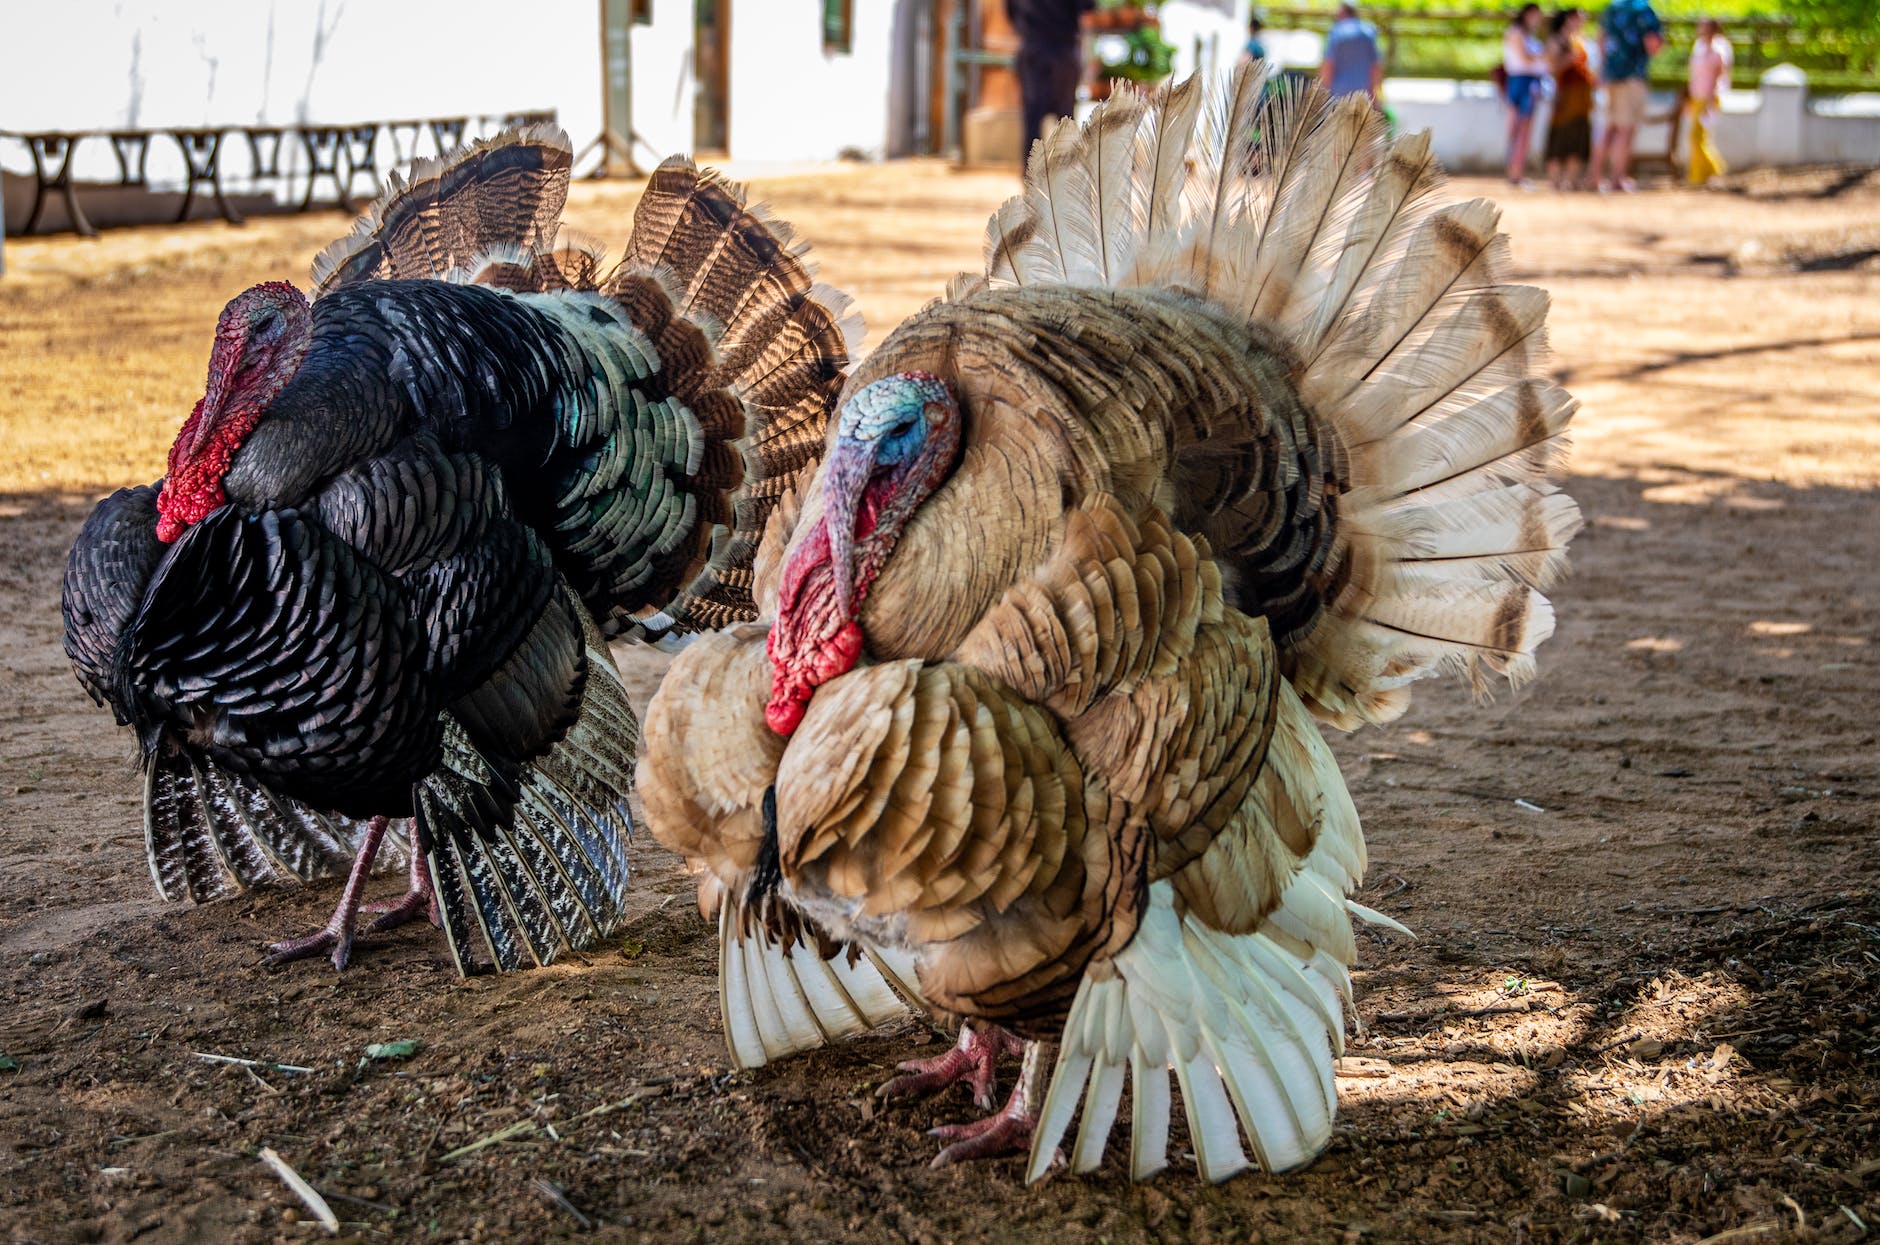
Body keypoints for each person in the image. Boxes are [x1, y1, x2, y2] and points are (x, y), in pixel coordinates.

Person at [1592, 0, 1662, 192]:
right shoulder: (1644, 10)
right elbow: (1652, 44)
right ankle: (1617, 178)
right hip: (1632, 76)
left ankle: (1595, 176)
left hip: (1610, 76)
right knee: (1626, 129)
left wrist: (1604, 69)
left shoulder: (1613, 7)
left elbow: (1601, 39)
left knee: (1607, 127)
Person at [1009, 0, 1094, 155]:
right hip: (1062, 50)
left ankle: (1032, 167)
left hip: (1034, 48)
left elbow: (1012, 11)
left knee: (1033, 116)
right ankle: (1066, 166)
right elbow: (1087, 8)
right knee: (1064, 118)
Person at [1545, 8, 1596, 189]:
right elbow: (1552, 68)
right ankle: (1555, 180)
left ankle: (1573, 179)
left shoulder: (1581, 40)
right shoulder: (1556, 40)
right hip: (1565, 96)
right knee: (1560, 136)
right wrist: (1571, 57)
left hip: (1582, 98)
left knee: (1579, 136)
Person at [1502, 5, 1550, 186]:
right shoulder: (1516, 32)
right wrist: (1544, 56)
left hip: (1528, 82)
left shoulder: (1529, 35)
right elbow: (1525, 58)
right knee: (1518, 128)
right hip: (1521, 82)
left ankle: (1517, 171)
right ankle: (1514, 172)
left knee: (1524, 129)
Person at [1685, 17, 1732, 186]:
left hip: (1708, 97)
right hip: (1697, 96)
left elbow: (1719, 74)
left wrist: (1710, 100)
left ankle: (1715, 169)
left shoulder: (1718, 48)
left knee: (1697, 136)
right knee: (1697, 137)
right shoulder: (1700, 46)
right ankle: (1698, 176)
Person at [1318, 3, 1383, 104]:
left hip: (1338, 96)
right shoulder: (1368, 32)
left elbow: (1328, 65)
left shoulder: (1336, 32)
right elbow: (1376, 67)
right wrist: (1375, 95)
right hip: (1363, 96)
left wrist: (1322, 94)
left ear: (1343, 13)